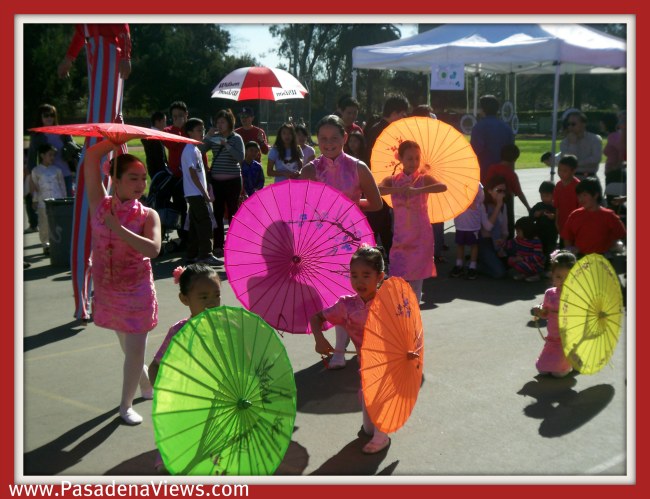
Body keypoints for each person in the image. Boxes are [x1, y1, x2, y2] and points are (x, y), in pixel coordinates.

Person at [82, 137, 161, 425]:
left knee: (135, 349)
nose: (141, 184)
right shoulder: (99, 204)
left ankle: (125, 406)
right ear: (114, 179)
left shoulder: (148, 214)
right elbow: (91, 159)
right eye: (133, 178)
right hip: (109, 291)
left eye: (143, 178)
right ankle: (144, 384)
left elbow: (153, 249)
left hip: (137, 292)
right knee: (128, 349)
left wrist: (118, 229)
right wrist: (115, 139)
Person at [58, 24, 132, 323]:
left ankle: (91, 299)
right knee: (91, 224)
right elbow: (81, 30)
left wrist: (126, 52)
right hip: (98, 48)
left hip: (106, 48)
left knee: (105, 227)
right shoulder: (95, 45)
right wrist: (69, 57)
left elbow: (121, 24)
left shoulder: (107, 49)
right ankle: (84, 300)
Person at [300, 114, 383, 369]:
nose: (328, 143)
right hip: (322, 241)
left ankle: (361, 341)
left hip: (354, 239)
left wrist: (351, 205)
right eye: (323, 139)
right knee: (334, 297)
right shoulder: (310, 170)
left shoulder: (358, 167)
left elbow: (377, 203)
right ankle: (339, 349)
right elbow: (301, 209)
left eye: (334, 138)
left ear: (345, 138)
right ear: (317, 140)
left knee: (355, 293)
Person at [309, 245, 390, 455]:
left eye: (366, 275)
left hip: (387, 360)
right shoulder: (346, 305)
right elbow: (316, 318)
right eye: (354, 275)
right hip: (364, 360)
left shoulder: (389, 302)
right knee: (367, 414)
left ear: (380, 276)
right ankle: (372, 429)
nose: (359, 281)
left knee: (377, 393)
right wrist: (319, 339)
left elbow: (407, 328)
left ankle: (383, 436)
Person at [147, 263, 221, 472]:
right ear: (185, 300)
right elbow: (155, 366)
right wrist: (163, 393)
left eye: (216, 295)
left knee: (214, 456)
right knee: (178, 452)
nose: (212, 303)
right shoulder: (179, 331)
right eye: (204, 297)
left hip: (217, 402)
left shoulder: (227, 327)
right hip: (184, 403)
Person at [378, 140, 447, 301]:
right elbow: (378, 189)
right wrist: (398, 190)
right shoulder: (393, 180)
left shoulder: (424, 178)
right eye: (409, 158)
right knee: (398, 280)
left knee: (416, 282)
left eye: (417, 158)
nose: (414, 162)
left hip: (421, 236)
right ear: (400, 158)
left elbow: (442, 187)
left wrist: (418, 190)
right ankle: (402, 316)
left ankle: (413, 317)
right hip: (401, 237)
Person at [365, 94, 411, 260]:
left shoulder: (375, 127)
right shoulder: (384, 130)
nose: (403, 118)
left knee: (380, 221)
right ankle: (387, 258)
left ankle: (381, 255)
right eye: (403, 114)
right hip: (379, 181)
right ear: (395, 112)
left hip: (375, 180)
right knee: (380, 221)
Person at [202, 108, 245, 258]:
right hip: (216, 181)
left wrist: (226, 144)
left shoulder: (236, 138)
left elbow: (240, 157)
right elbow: (200, 150)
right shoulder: (213, 138)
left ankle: (235, 243)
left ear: (229, 123)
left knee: (233, 212)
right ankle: (218, 245)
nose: (219, 125)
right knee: (218, 213)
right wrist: (207, 137)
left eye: (223, 122)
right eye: (217, 122)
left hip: (233, 181)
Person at [181, 118, 222, 266]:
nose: (202, 132)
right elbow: (192, 173)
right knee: (205, 223)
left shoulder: (196, 149)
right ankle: (206, 254)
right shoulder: (189, 150)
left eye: (203, 129)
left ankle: (192, 254)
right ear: (190, 132)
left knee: (194, 224)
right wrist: (204, 192)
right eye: (199, 130)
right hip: (195, 193)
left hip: (196, 193)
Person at [530, 250, 576, 377]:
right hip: (552, 337)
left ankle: (572, 359)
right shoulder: (550, 293)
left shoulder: (577, 296)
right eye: (558, 277)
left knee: (558, 374)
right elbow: (546, 313)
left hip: (568, 339)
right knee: (542, 370)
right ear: (552, 275)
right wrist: (539, 310)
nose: (563, 281)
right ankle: (561, 361)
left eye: (568, 277)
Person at [411, 104, 445, 262]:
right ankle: (425, 252)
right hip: (413, 183)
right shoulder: (412, 135)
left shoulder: (434, 135)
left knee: (434, 216)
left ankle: (434, 251)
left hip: (429, 179)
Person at [561, 177, 626, 256]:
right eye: (579, 196)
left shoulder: (609, 216)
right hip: (581, 258)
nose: (581, 199)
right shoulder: (574, 215)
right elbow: (567, 237)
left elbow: (622, 235)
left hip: (603, 258)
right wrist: (570, 253)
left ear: (595, 195)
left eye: (584, 195)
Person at [27, 103, 75, 197]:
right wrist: (32, 178)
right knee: (51, 206)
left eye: (52, 115)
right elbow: (31, 158)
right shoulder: (37, 136)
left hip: (66, 174)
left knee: (68, 202)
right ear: (40, 117)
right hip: (48, 177)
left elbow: (73, 149)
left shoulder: (64, 132)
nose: (49, 118)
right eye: (46, 115)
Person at [485, 143, 532, 239]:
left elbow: (487, 184)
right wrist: (528, 207)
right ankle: (507, 244)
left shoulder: (492, 168)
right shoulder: (512, 174)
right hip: (506, 200)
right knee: (507, 223)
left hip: (491, 199)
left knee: (491, 221)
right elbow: (519, 192)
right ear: (514, 159)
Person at [161, 101, 191, 249]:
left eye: (181, 115)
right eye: (174, 116)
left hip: (192, 175)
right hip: (177, 176)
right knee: (180, 207)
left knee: (196, 207)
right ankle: (184, 238)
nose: (178, 118)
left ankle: (194, 235)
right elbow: (171, 145)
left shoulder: (192, 128)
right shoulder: (168, 130)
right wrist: (179, 130)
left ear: (187, 115)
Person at [30, 143, 66, 255]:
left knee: (56, 223)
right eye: (50, 155)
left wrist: (64, 199)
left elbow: (62, 185)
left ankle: (58, 243)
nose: (52, 157)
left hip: (57, 200)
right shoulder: (36, 171)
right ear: (42, 155)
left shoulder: (57, 170)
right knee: (44, 223)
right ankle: (46, 244)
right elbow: (35, 187)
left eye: (53, 155)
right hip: (43, 202)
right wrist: (35, 200)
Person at [470, 95, 515, 184]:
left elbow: (474, 151)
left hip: (484, 173)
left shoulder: (479, 127)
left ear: (482, 110)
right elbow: (512, 154)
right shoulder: (506, 127)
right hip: (504, 173)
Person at [450, 185, 485, 280]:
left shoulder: (477, 185)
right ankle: (459, 264)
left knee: (474, 245)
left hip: (473, 224)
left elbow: (481, 200)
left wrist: (473, 202)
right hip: (460, 223)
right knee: (460, 244)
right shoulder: (456, 185)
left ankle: (472, 266)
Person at [477, 175, 509, 279]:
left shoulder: (504, 206)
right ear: (490, 190)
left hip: (497, 243)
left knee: (508, 265)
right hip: (485, 242)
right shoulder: (483, 205)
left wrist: (502, 241)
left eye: (504, 191)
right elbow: (488, 228)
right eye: (499, 190)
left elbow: (505, 230)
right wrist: (498, 206)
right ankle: (476, 265)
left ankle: (489, 261)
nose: (502, 194)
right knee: (499, 273)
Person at [559, 111, 603, 179]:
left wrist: (576, 164)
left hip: (589, 178)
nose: (570, 126)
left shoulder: (595, 139)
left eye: (573, 124)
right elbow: (567, 161)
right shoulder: (565, 142)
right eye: (568, 124)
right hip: (571, 178)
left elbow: (596, 159)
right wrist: (572, 144)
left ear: (583, 124)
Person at [504, 216, 545, 282]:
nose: (517, 233)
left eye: (518, 231)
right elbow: (510, 243)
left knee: (519, 265)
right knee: (510, 260)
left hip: (535, 264)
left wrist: (523, 258)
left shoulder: (535, 241)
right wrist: (502, 244)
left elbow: (537, 257)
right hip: (523, 260)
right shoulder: (519, 239)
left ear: (526, 230)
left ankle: (535, 275)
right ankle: (524, 273)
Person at [529, 180, 558, 269]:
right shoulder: (539, 205)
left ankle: (550, 267)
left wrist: (554, 217)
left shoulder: (555, 206)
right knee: (539, 250)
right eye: (542, 196)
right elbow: (531, 215)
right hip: (540, 234)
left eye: (547, 196)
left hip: (551, 234)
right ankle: (539, 265)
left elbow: (560, 217)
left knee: (550, 251)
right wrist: (535, 215)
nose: (544, 198)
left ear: (553, 195)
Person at [553, 155, 581, 244]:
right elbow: (557, 206)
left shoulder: (578, 186)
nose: (561, 173)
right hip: (562, 222)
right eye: (559, 170)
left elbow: (581, 208)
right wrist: (556, 221)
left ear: (573, 171)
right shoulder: (558, 185)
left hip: (575, 224)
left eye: (565, 171)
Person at [141, 110, 169, 179]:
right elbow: (160, 160)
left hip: (154, 171)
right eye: (164, 121)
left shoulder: (149, 135)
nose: (166, 125)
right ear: (157, 122)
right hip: (159, 172)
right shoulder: (154, 138)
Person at [602, 111, 626, 185]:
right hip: (613, 172)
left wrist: (617, 166)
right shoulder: (616, 135)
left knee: (612, 195)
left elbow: (622, 149)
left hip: (614, 173)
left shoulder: (613, 136)